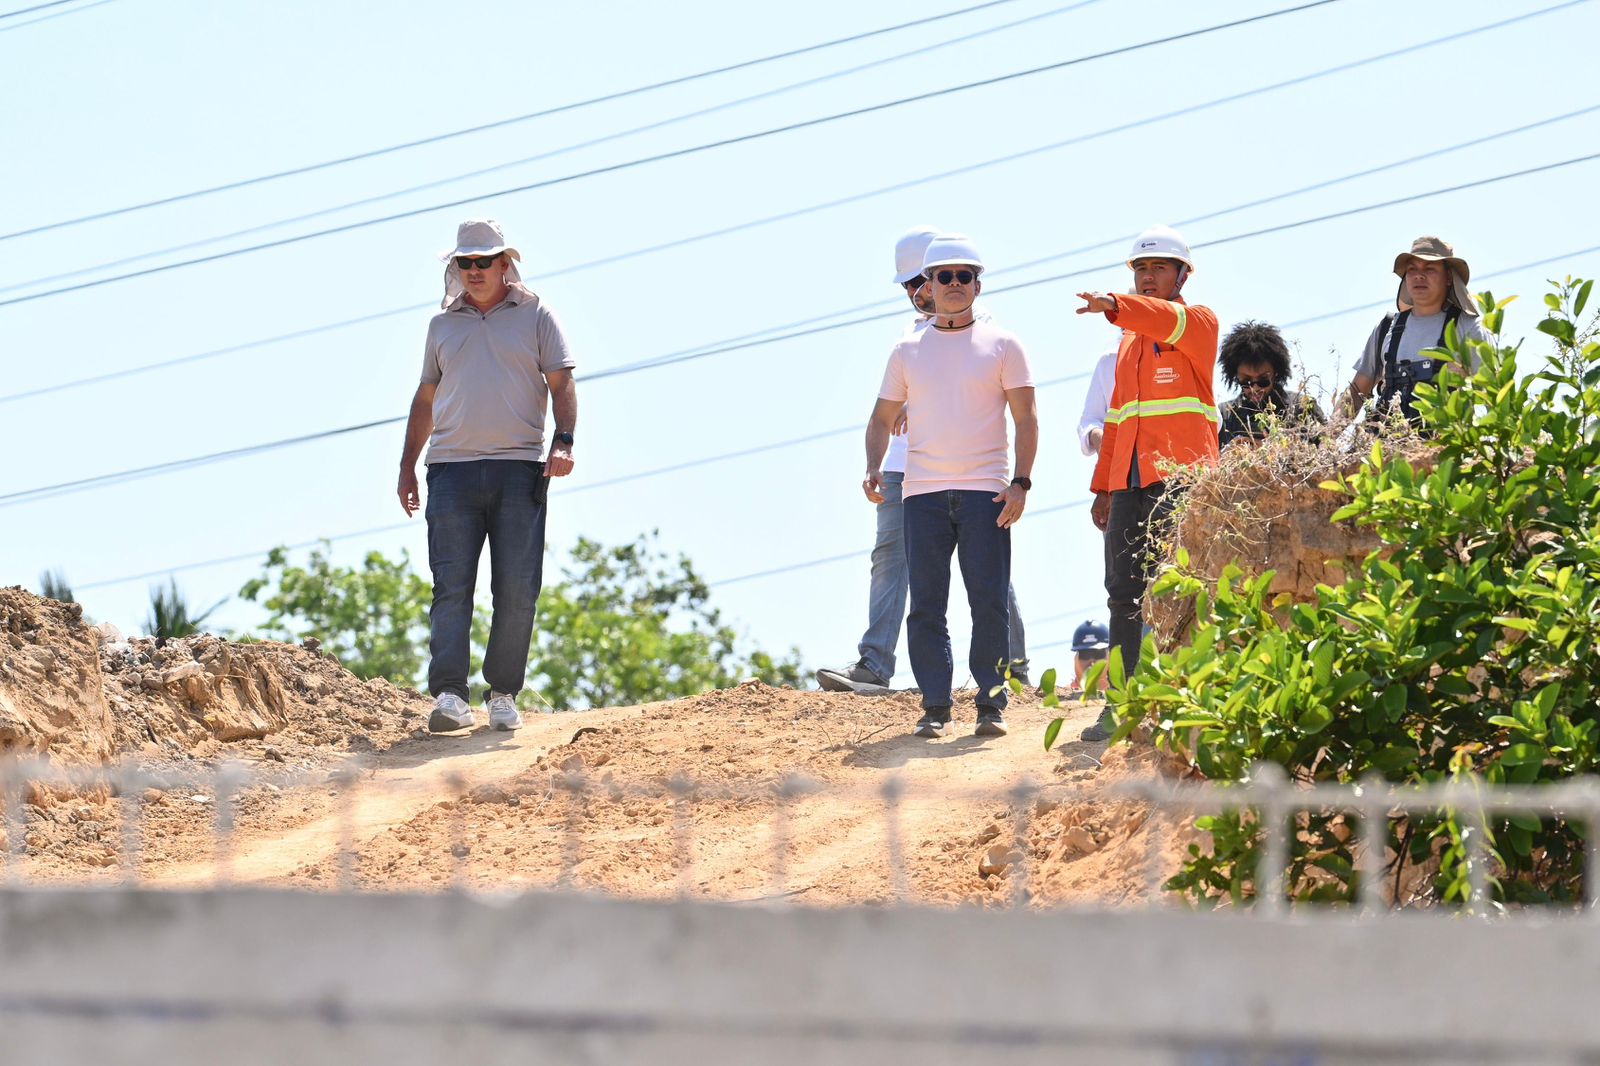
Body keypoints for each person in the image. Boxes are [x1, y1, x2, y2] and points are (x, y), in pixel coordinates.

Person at [818, 228, 1031, 694]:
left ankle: (1012, 667)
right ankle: (874, 664)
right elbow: (882, 413)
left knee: (985, 573)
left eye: (922, 281)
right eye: (910, 285)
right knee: (890, 558)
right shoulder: (908, 339)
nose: (918, 293)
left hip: (968, 472)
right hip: (906, 469)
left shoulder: (981, 321)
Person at [398, 219, 577, 734]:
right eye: (464, 263)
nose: (473, 271)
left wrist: (562, 442)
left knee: (518, 587)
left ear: (505, 264)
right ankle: (451, 696)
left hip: (520, 468)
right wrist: (407, 466)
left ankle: (503, 693)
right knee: (450, 587)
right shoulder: (441, 327)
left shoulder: (537, 315)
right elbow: (426, 398)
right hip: (450, 471)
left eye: (483, 261)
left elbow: (562, 382)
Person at [866, 235, 1037, 738]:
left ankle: (991, 704)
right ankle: (935, 707)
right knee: (926, 604)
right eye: (945, 276)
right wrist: (874, 467)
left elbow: (1026, 419)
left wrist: (1021, 482)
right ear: (929, 286)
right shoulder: (907, 350)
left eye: (965, 276)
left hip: (986, 492)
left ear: (978, 285)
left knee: (988, 601)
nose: (955, 284)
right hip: (922, 494)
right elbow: (880, 418)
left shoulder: (1005, 344)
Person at [1077, 225, 1219, 741]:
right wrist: (1104, 489)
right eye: (1140, 269)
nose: (1147, 277)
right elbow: (1118, 421)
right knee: (1123, 594)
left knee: (1180, 591)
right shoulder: (1128, 348)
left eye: (1159, 267)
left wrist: (1113, 303)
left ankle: (1183, 701)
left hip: (1182, 481)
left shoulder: (1196, 323)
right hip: (1129, 486)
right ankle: (1122, 703)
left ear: (1183, 275)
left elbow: (1162, 317)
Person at [1342, 236, 1489, 426]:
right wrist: (1326, 442)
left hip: (1445, 449)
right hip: (1387, 449)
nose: (1419, 275)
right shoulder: (1388, 327)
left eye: (1430, 268)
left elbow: (1493, 394)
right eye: (1412, 269)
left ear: (1449, 278)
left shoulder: (1469, 328)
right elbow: (1356, 393)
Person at [1217, 321, 1326, 448]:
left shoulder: (1302, 407)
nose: (1255, 388)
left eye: (1263, 380)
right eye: (1246, 382)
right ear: (1235, 377)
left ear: (1276, 374)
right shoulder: (1224, 416)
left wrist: (1276, 451)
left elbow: (1326, 454)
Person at [1079, 349, 1117, 532]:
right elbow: (1089, 422)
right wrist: (1099, 439)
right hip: (1117, 490)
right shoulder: (1109, 363)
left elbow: (1215, 420)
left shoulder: (1179, 351)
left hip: (1174, 482)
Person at [1068, 619, 1110, 697]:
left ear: (1110, 656)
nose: (1092, 663)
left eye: (1098, 654)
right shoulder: (1066, 694)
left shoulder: (1126, 694)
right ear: (1076, 658)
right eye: (1085, 655)